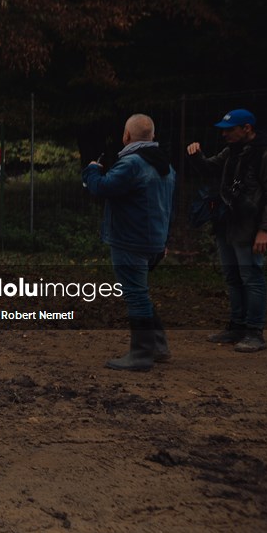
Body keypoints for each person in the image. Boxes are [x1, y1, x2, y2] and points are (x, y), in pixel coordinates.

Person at [187, 109, 267, 353]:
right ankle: (236, 326)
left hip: (250, 227)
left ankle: (254, 332)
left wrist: (265, 230)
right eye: (223, 129)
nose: (224, 134)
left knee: (251, 277)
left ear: (247, 128)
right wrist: (197, 156)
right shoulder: (231, 151)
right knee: (233, 277)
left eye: (230, 129)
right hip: (227, 224)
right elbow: (210, 169)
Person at [82, 114, 176, 371]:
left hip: (130, 241)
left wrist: (91, 170)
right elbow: (168, 207)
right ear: (152, 137)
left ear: (126, 136)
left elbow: (102, 188)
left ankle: (141, 355)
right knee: (140, 293)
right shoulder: (166, 166)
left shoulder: (132, 164)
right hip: (154, 242)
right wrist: (165, 239)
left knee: (136, 296)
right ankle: (158, 348)